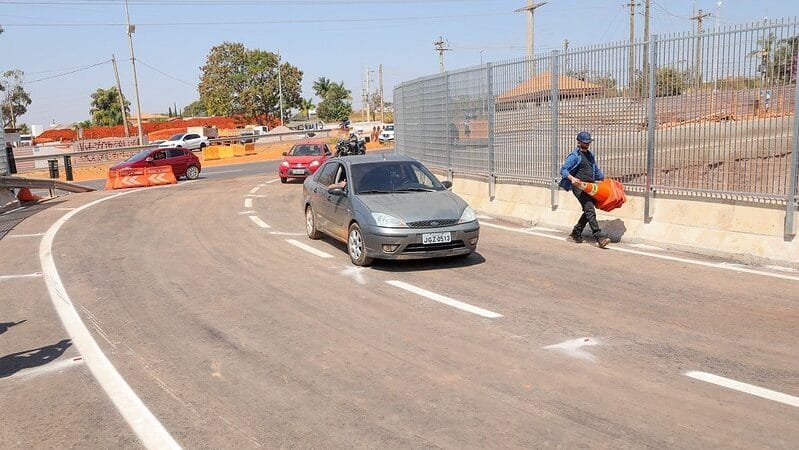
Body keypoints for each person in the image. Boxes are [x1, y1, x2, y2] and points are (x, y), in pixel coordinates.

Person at [559, 131, 611, 248]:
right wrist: (572, 178)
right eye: (585, 142)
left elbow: (595, 170)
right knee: (590, 210)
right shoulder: (574, 156)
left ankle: (575, 233)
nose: (587, 144)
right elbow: (563, 170)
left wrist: (605, 179)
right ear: (579, 142)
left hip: (591, 187)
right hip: (579, 187)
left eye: (588, 142)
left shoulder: (590, 155)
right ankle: (599, 237)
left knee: (588, 211)